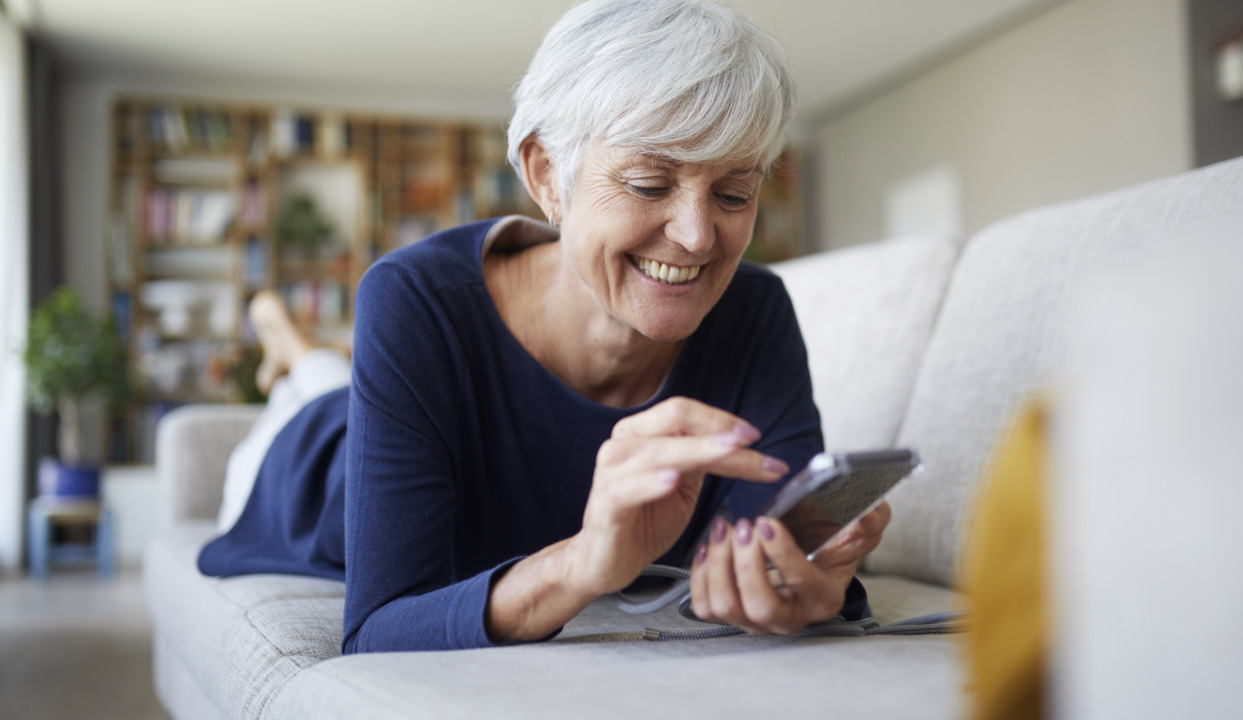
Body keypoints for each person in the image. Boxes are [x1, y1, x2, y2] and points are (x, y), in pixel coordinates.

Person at [198, 0, 891, 654]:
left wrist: (809, 580)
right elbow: (380, 628)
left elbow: (764, 550)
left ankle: (297, 347)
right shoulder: (416, 298)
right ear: (546, 175)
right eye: (650, 185)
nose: (696, 235)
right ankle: (285, 341)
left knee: (327, 371)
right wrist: (581, 565)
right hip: (313, 464)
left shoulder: (755, 309)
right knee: (317, 390)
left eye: (735, 192)